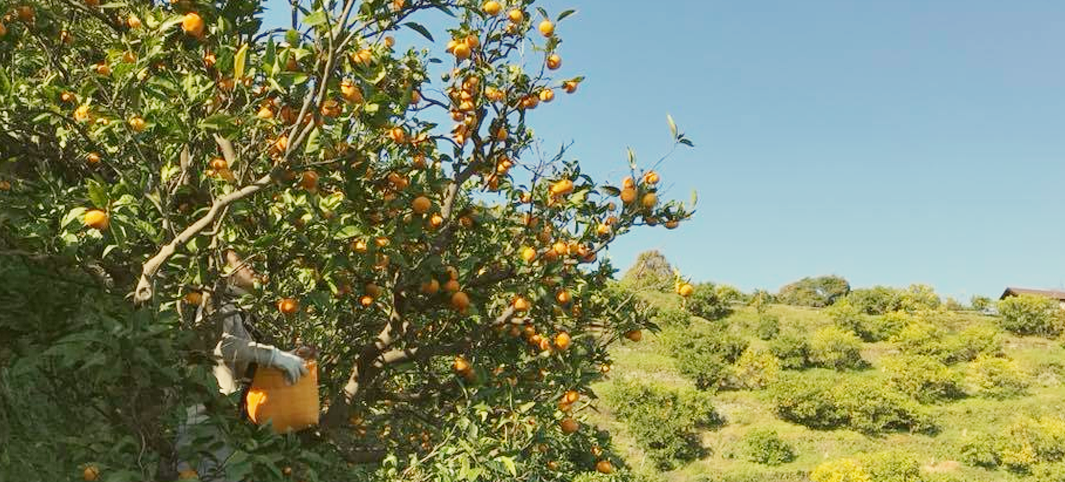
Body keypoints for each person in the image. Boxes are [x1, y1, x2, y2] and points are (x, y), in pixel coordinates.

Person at [174, 250, 307, 481]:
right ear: (224, 273)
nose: (251, 266)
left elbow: (245, 361)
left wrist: (288, 357)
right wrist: (274, 356)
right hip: (206, 422)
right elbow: (222, 345)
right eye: (241, 262)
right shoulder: (216, 307)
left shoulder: (235, 309)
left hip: (225, 423)